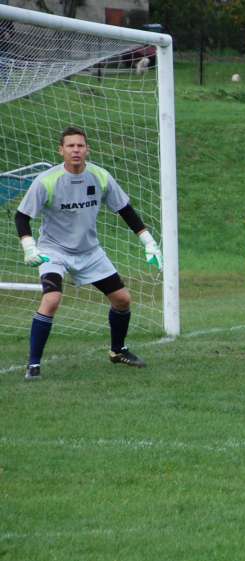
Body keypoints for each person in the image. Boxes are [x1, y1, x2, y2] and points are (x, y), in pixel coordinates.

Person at [14, 126, 162, 379]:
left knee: (123, 300)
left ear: (87, 149)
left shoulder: (100, 177)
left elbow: (125, 210)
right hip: (54, 251)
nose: (76, 150)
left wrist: (148, 241)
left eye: (80, 146)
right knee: (51, 300)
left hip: (89, 251)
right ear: (61, 150)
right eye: (70, 146)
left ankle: (118, 351)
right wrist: (30, 247)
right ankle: (34, 364)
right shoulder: (46, 181)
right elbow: (21, 216)